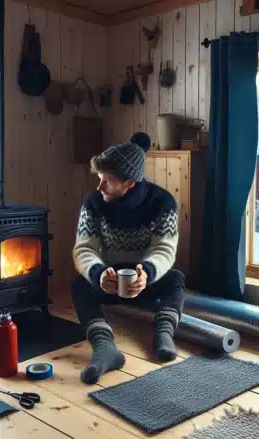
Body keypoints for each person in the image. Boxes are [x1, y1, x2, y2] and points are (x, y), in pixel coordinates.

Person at [71, 132, 185, 384]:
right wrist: (99, 274)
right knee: (79, 284)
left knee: (175, 279)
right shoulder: (93, 202)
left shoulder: (162, 202)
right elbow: (84, 248)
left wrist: (147, 273)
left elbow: (165, 249)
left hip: (145, 282)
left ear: (129, 183)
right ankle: (104, 346)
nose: (99, 187)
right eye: (99, 179)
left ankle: (164, 333)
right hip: (109, 282)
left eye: (108, 181)